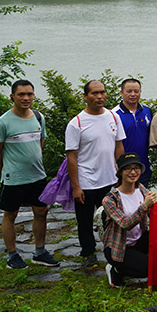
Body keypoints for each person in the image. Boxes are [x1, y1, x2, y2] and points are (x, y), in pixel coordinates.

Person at [0, 79, 59, 269]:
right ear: (12, 96)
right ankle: (12, 255)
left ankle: (40, 252)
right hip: (14, 179)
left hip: (37, 176)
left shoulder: (38, 117)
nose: (26, 98)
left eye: (29, 94)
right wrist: (6, 171)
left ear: (34, 95)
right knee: (10, 214)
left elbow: (39, 144)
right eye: (21, 94)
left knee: (41, 212)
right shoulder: (3, 122)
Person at [66, 80, 126, 269]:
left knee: (111, 219)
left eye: (102, 92)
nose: (99, 96)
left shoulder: (113, 117)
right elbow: (71, 157)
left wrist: (122, 175)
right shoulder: (76, 123)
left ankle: (113, 251)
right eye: (94, 93)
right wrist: (76, 186)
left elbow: (119, 146)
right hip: (86, 181)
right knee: (84, 221)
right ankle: (88, 253)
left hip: (110, 179)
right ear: (85, 96)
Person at [102, 153, 155, 287]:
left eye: (136, 168)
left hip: (139, 240)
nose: (133, 172)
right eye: (128, 168)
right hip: (119, 247)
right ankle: (115, 268)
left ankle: (136, 261)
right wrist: (145, 206)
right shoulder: (110, 199)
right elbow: (125, 224)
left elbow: (153, 213)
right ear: (120, 172)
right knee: (148, 269)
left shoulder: (141, 189)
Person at [112, 78, 152, 187]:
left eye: (136, 91)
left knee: (143, 196)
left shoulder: (146, 111)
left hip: (142, 166)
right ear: (121, 92)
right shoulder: (114, 114)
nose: (133, 94)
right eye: (129, 91)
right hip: (124, 168)